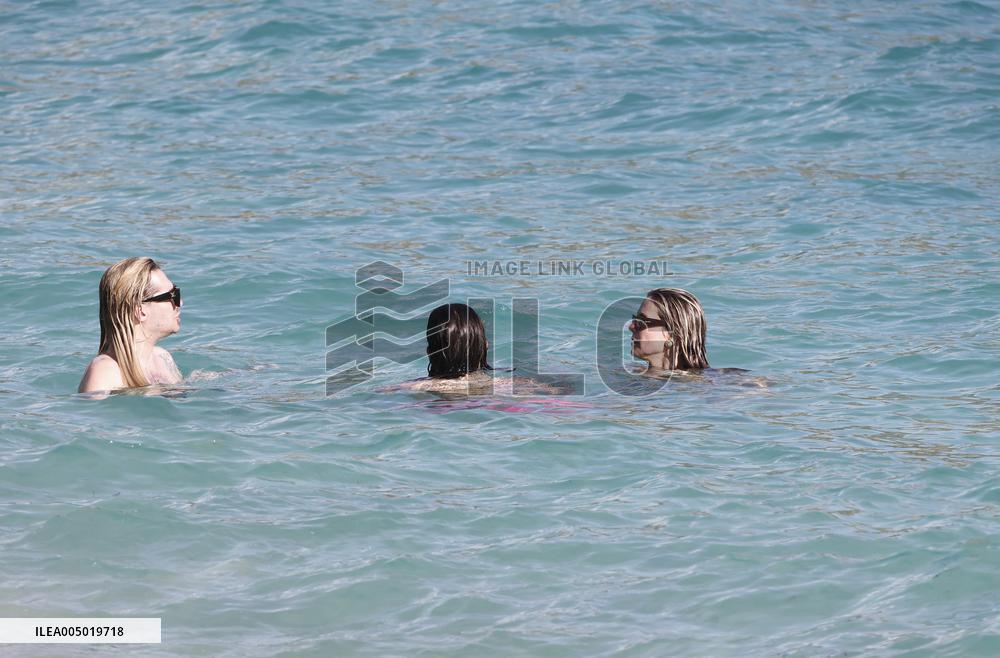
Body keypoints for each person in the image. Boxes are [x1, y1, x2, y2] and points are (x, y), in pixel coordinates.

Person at [78, 257, 183, 393]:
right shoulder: (105, 372)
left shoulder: (162, 358)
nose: (180, 303)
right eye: (172, 296)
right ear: (140, 311)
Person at [629, 287, 709, 372]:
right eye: (636, 319)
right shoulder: (630, 372)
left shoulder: (707, 382)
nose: (631, 327)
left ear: (674, 336)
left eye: (642, 322)